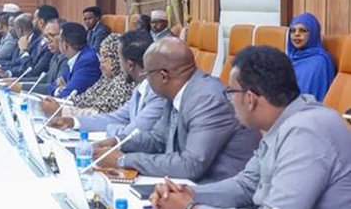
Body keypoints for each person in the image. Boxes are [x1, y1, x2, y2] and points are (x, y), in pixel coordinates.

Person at [150, 46, 351, 209]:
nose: (230, 100)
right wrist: (186, 194)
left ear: (250, 99)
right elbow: (246, 185)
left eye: (231, 92)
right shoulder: (284, 122)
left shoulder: (306, 132)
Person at [94, 38, 260, 183]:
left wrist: (124, 160)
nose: (146, 80)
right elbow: (157, 140)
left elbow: (191, 165)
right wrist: (118, 142)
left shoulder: (206, 99)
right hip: (187, 184)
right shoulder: (176, 92)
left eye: (147, 74)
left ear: (163, 76)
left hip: (217, 192)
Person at [49, 30, 166, 140]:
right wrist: (72, 122)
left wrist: (113, 130)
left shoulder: (157, 93)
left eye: (119, 59)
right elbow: (116, 117)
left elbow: (131, 133)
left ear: (130, 65)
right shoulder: (139, 88)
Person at [41, 33, 134, 116]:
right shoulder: (105, 79)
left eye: (106, 56)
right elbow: (84, 98)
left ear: (117, 58)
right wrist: (60, 103)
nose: (101, 61)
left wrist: (61, 110)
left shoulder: (125, 84)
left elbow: (101, 111)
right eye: (101, 56)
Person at [287, 13, 335, 102]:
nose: (296, 34)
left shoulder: (320, 62)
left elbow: (312, 96)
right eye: (293, 31)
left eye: (302, 30)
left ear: (313, 34)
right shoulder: (290, 57)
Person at [13, 20, 69, 94]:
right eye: (46, 36)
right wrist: (15, 81)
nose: (48, 41)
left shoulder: (67, 59)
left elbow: (55, 87)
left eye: (52, 35)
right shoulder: (56, 55)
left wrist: (21, 87)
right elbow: (46, 79)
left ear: (63, 36)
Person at [52, 22, 101, 98]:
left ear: (65, 45)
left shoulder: (87, 61)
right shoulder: (76, 57)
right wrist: (59, 90)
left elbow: (68, 94)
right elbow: (54, 84)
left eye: (59, 40)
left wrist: (64, 89)